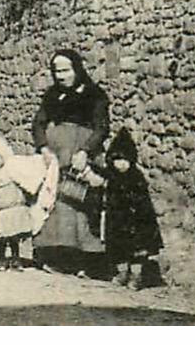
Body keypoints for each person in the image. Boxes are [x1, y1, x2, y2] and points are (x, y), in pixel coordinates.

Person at [31, 49, 110, 274]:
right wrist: (43, 147)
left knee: (80, 203)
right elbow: (38, 123)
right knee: (56, 203)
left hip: (82, 154)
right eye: (57, 71)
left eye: (66, 70)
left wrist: (86, 151)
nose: (61, 76)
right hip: (56, 156)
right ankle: (55, 255)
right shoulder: (52, 95)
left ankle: (85, 260)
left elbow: (101, 127)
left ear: (77, 69)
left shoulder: (95, 94)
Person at [0, 133, 57, 271]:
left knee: (14, 237)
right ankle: (1, 258)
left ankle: (16, 258)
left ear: (2, 155)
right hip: (1, 209)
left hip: (14, 207)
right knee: (1, 238)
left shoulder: (12, 168)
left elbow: (26, 179)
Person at [102, 128, 163, 289]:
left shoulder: (136, 177)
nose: (121, 164)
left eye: (125, 160)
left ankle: (136, 275)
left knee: (138, 249)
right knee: (118, 247)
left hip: (136, 220)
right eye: (117, 159)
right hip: (117, 220)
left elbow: (143, 202)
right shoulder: (111, 177)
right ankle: (122, 272)